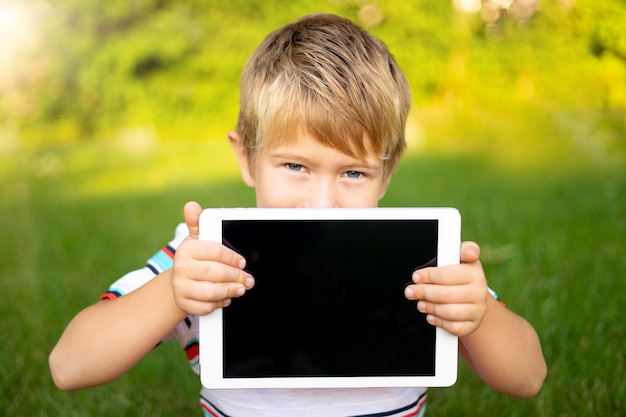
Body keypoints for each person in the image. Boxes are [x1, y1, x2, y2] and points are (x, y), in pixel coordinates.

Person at [49, 12, 547, 416]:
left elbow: (528, 377)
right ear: (245, 157)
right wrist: (173, 291)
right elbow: (69, 365)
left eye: (353, 173)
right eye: (295, 166)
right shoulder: (203, 254)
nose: (322, 202)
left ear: (388, 172)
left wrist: (477, 315)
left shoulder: (418, 256)